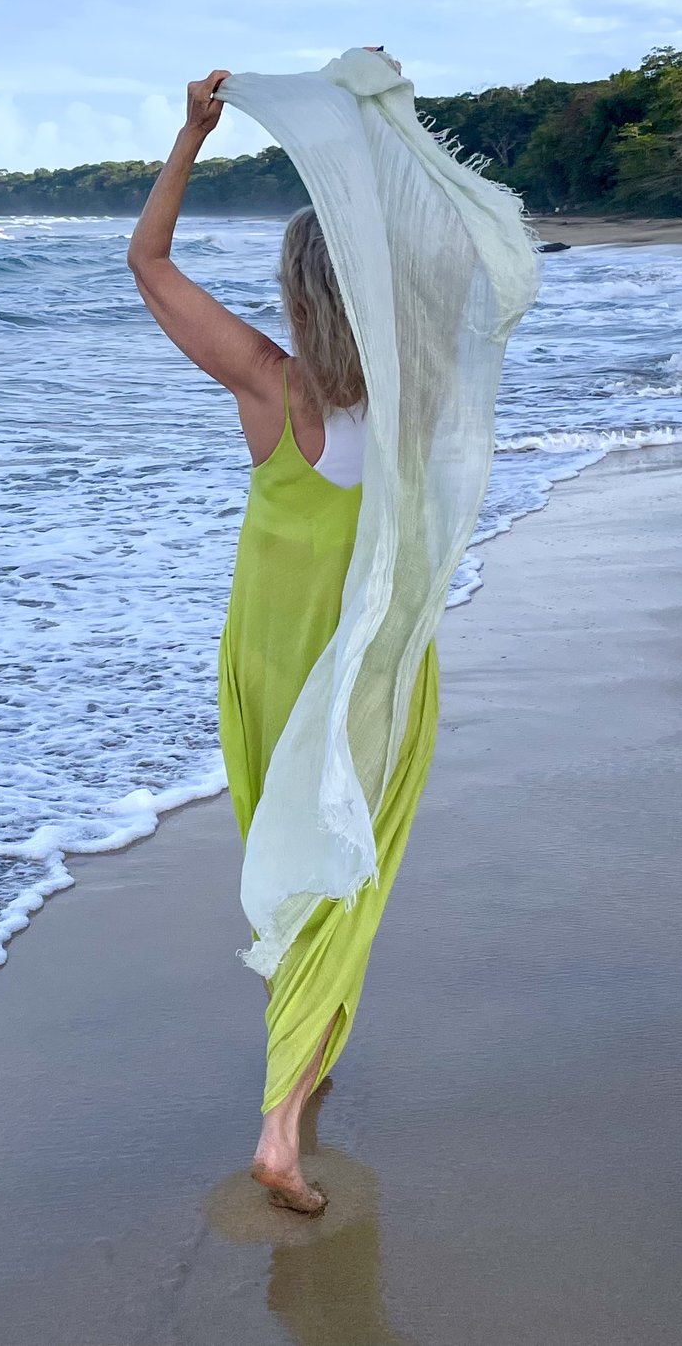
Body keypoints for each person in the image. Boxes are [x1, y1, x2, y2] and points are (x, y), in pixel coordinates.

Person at [127, 67, 441, 1217]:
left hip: (265, 665)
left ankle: (301, 1055)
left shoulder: (265, 385)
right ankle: (277, 1129)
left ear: (296, 294)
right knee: (348, 881)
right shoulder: (418, 401)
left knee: (293, 865)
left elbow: (149, 264)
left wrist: (191, 136)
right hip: (366, 676)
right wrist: (388, 148)